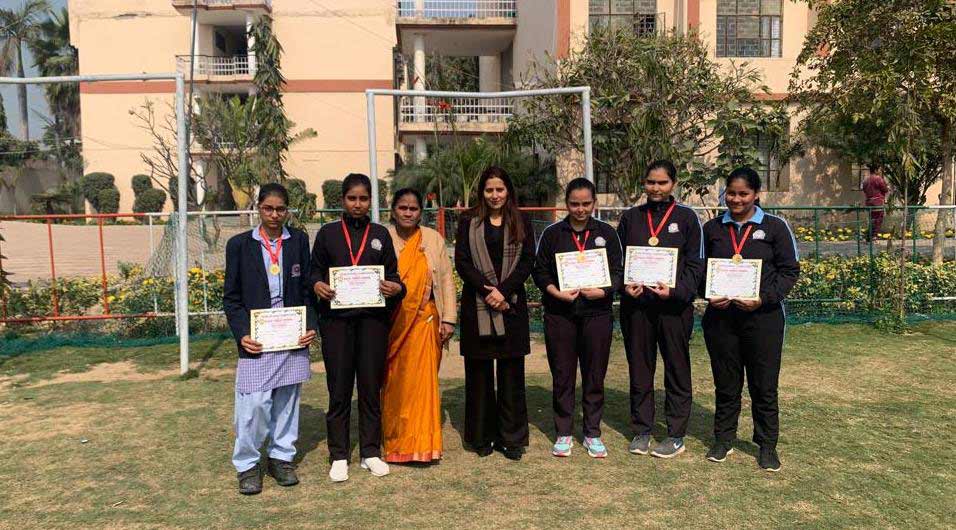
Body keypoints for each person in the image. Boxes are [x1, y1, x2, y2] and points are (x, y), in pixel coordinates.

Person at [701, 167, 800, 472]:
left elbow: (789, 272)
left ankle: (767, 445)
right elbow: (700, 269)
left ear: (757, 195)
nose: (736, 199)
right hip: (721, 318)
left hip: (764, 319)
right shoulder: (712, 228)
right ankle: (723, 439)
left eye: (743, 193)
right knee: (726, 383)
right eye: (731, 193)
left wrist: (763, 298)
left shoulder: (775, 227)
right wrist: (707, 294)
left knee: (764, 385)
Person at [309, 173, 406, 482]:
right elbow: (313, 272)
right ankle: (339, 455)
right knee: (338, 389)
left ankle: (370, 452)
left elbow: (395, 277)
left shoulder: (380, 234)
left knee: (369, 388)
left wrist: (395, 288)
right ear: (343, 200)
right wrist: (317, 285)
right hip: (336, 323)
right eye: (352, 198)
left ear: (371, 202)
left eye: (364, 199)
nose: (358, 204)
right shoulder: (327, 234)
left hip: (372, 322)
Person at [223, 183, 318, 495]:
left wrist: (310, 324)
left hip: (291, 335)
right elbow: (232, 298)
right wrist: (243, 335)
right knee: (254, 405)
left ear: (287, 210)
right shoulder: (240, 245)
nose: (274, 215)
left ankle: (281, 457)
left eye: (280, 209)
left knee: (287, 401)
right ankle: (248, 465)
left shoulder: (298, 240)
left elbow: (307, 288)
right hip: (257, 339)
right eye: (268, 208)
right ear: (258, 208)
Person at [616, 160, 705, 459]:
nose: (656, 188)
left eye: (662, 183)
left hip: (674, 309)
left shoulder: (687, 218)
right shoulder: (631, 218)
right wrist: (623, 286)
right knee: (640, 368)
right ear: (644, 183)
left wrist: (677, 291)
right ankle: (642, 429)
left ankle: (676, 433)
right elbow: (618, 263)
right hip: (637, 308)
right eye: (651, 182)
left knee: (677, 369)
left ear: (673, 184)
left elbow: (695, 264)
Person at [533, 177, 622, 458]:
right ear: (566, 205)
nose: (580, 209)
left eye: (586, 204)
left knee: (595, 374)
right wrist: (555, 292)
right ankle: (563, 432)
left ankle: (592, 432)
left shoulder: (606, 233)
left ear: (594, 204)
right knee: (563, 374)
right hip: (561, 315)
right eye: (574, 204)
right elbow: (541, 272)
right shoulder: (553, 234)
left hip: (597, 314)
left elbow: (619, 272)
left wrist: (605, 290)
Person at [454, 166, 536, 461]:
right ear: (482, 192)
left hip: (511, 306)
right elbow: (462, 261)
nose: (495, 195)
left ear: (508, 191)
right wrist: (488, 290)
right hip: (478, 306)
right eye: (489, 190)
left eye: (500, 189)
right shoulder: (469, 221)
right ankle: (481, 436)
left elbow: (528, 260)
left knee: (512, 374)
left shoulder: (522, 220)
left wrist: (503, 291)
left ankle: (511, 438)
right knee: (478, 375)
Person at [382, 188, 457, 463]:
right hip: (392, 323)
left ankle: (423, 444)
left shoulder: (433, 239)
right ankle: (395, 440)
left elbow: (447, 280)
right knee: (395, 382)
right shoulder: (382, 238)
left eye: (413, 209)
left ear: (420, 212)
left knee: (423, 385)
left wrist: (449, 318)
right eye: (403, 208)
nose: (408, 213)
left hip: (425, 321)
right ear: (393, 210)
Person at [861, 164, 889, 240]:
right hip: (878, 202)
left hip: (869, 202)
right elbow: (885, 189)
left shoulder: (866, 180)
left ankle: (869, 236)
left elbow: (864, 189)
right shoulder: (878, 179)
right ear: (876, 170)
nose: (880, 171)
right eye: (879, 169)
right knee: (878, 220)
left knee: (872, 219)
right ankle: (873, 236)